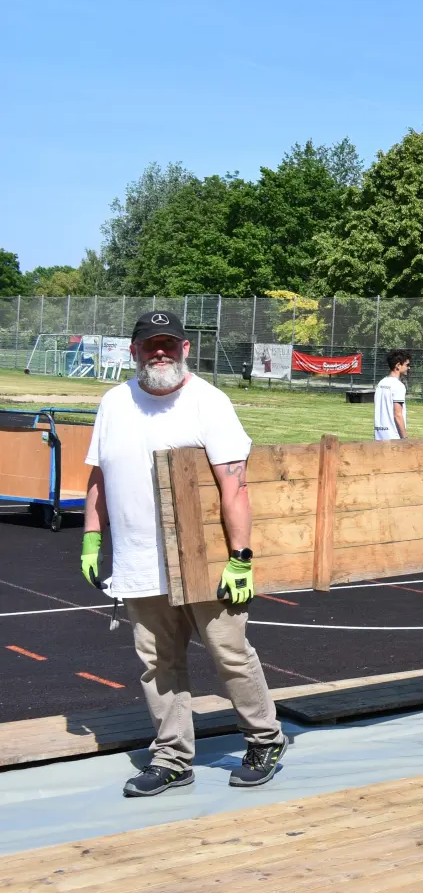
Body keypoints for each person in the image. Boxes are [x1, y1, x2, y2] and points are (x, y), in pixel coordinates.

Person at [80, 311, 288, 797]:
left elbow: (234, 485)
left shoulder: (207, 402)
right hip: (137, 559)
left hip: (206, 562)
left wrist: (241, 558)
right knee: (158, 663)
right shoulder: (114, 403)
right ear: (132, 351)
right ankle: (173, 758)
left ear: (185, 349)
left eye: (169, 345)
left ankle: (265, 739)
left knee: (230, 653)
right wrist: (92, 536)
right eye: (151, 345)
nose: (160, 352)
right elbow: (99, 475)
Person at [374, 349, 411, 441]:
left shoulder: (381, 383)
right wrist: (404, 437)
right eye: (407, 365)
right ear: (398, 365)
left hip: (378, 437)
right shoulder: (398, 386)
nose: (409, 368)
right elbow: (398, 414)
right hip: (393, 438)